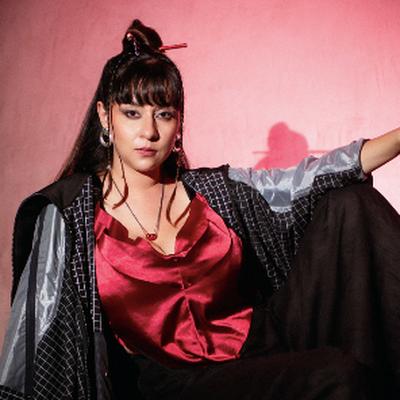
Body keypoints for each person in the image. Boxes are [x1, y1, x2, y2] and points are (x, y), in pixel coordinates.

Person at [0, 19, 399, 400]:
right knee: (339, 377)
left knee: (350, 202)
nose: (148, 132)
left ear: (178, 123)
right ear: (106, 116)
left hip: (259, 350)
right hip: (169, 385)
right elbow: (36, 336)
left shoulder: (212, 191)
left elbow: (312, 176)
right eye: (132, 113)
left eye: (164, 114)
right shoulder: (72, 214)